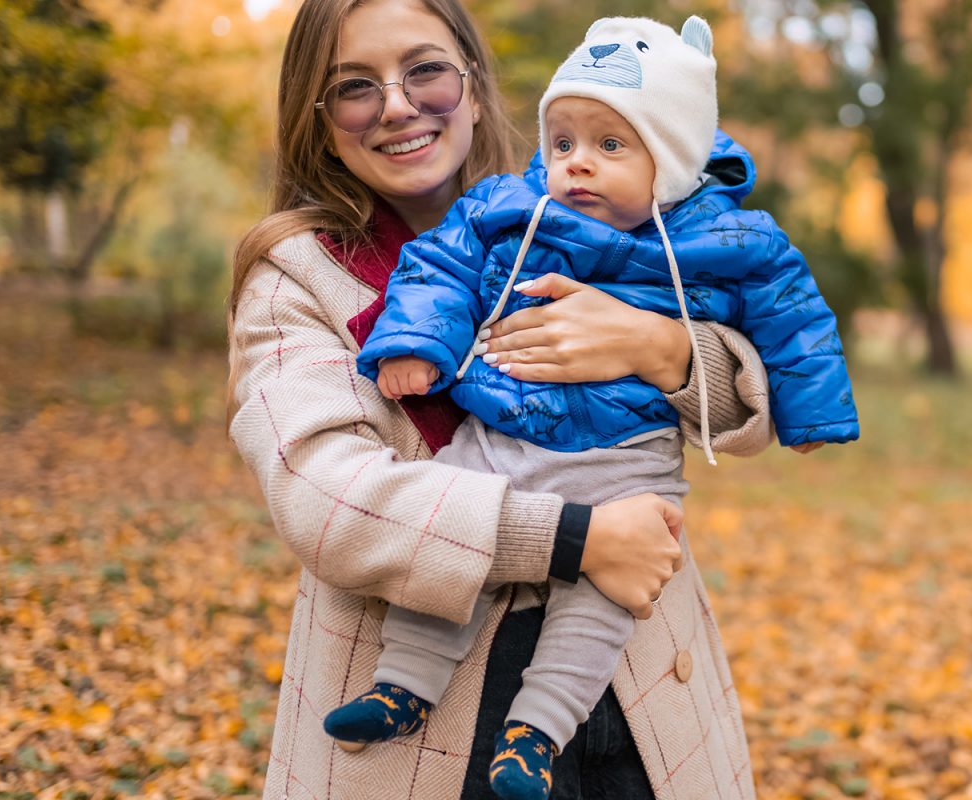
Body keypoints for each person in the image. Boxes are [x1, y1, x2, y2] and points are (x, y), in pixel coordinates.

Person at [226, 1, 772, 797]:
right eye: (354, 86)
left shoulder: (585, 207)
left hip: (635, 691)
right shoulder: (295, 278)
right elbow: (327, 502)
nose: (398, 105)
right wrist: (575, 537)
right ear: (318, 117)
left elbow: (753, 412)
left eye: (425, 70)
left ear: (474, 88)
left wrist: (660, 348)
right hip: (432, 720)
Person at [325, 15, 859, 798]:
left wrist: (801, 409)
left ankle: (534, 732)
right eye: (564, 141)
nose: (577, 165)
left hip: (628, 455)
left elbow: (795, 317)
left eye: (611, 146)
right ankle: (403, 683)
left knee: (608, 593)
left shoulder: (731, 237)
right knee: (449, 534)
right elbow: (439, 267)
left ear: (671, 160)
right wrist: (416, 344)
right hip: (505, 426)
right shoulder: (509, 204)